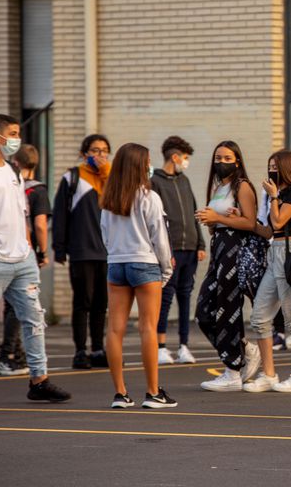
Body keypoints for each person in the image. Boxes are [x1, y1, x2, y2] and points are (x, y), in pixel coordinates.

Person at [0, 114, 70, 406]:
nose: (17, 138)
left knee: (34, 320)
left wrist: (30, 247)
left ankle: (39, 380)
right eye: (13, 133)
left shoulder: (14, 172)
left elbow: (22, 214)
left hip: (22, 259)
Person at [100, 142, 176, 409]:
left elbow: (105, 236)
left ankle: (120, 393)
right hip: (144, 263)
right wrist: (166, 268)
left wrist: (117, 254)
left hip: (116, 264)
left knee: (114, 329)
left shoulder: (108, 199)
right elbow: (160, 238)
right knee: (148, 328)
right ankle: (153, 392)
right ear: (140, 166)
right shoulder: (149, 197)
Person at [194, 141, 263, 392]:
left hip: (235, 251)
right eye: (218, 158)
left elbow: (250, 223)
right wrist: (212, 223)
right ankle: (245, 350)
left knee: (228, 308)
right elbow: (226, 220)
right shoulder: (219, 187)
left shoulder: (242, 186)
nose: (221, 162)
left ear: (237, 160)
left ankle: (233, 371)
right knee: (204, 311)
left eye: (227, 158)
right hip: (219, 249)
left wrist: (218, 218)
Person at [245, 150, 291, 393]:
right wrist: (247, 222)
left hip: (288, 254)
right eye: (269, 165)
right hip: (274, 252)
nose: (271, 170)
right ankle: (269, 374)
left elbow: (278, 223)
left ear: (286, 167)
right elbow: (269, 231)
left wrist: (273, 197)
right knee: (259, 317)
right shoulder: (280, 194)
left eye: (275, 166)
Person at [53, 134, 111, 369]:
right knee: (82, 302)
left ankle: (98, 349)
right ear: (84, 153)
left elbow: (117, 204)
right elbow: (60, 215)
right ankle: (80, 351)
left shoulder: (110, 178)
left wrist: (106, 172)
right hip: (82, 251)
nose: (99, 155)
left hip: (107, 252)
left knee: (101, 304)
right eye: (94, 150)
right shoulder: (72, 177)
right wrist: (59, 248)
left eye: (104, 150)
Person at [0, 144, 50, 376]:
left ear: (16, 162)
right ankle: (8, 355)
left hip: (3, 248)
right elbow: (39, 224)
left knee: (10, 307)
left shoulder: (9, 186)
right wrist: (43, 252)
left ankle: (14, 353)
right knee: (24, 308)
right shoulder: (37, 191)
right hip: (24, 252)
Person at [151, 136, 206, 365]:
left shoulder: (184, 181)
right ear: (174, 157)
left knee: (186, 297)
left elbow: (194, 212)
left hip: (190, 249)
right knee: (165, 297)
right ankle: (161, 346)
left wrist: (200, 244)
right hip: (169, 250)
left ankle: (184, 345)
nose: (186, 162)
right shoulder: (155, 182)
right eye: (184, 158)